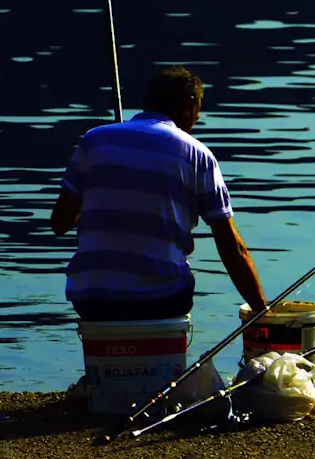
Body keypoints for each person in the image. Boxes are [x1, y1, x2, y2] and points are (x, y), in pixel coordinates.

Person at [49, 66, 268, 322]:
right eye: (197, 111)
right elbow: (232, 247)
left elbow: (60, 223)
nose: (195, 122)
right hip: (161, 299)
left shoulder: (93, 141)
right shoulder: (197, 155)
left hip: (91, 297)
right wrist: (261, 311)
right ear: (189, 106)